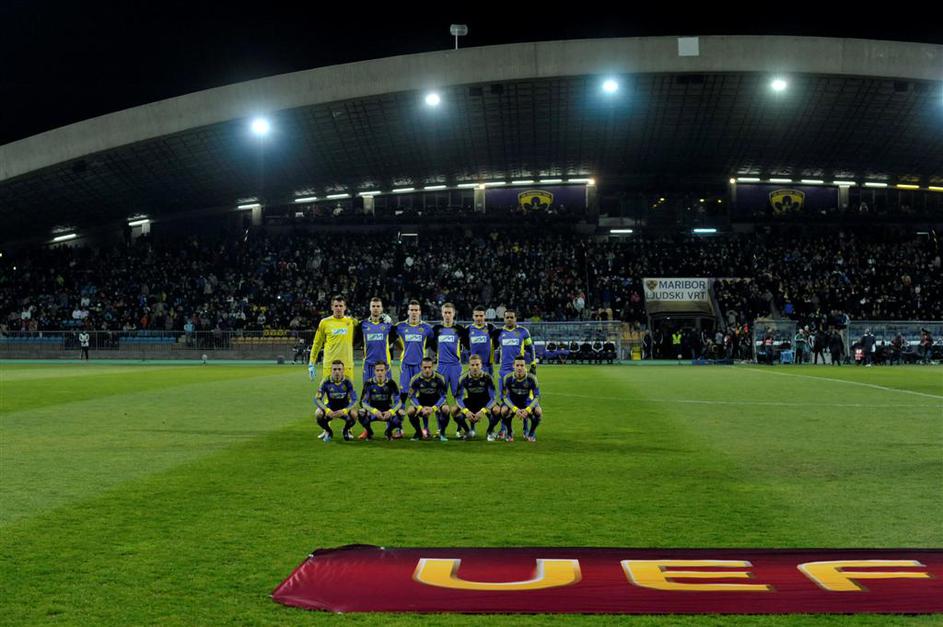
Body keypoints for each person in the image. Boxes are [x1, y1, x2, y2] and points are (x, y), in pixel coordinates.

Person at [495, 309, 536, 434]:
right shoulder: (499, 333)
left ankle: (525, 428)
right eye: (507, 317)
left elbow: (530, 347)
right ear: (504, 319)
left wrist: (533, 363)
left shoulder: (523, 331)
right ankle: (504, 429)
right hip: (504, 371)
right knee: (504, 400)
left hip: (521, 371)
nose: (509, 319)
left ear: (515, 318)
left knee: (524, 398)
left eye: (511, 317)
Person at [393, 301, 435, 406]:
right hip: (405, 364)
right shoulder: (400, 326)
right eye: (412, 310)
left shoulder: (427, 328)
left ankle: (419, 412)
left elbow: (431, 341)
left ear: (420, 312)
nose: (414, 312)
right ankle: (401, 413)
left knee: (420, 391)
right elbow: (391, 336)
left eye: (416, 310)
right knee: (403, 391)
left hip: (420, 365)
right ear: (408, 312)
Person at [308, 295, 356, 382]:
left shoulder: (351, 321)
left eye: (341, 306)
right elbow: (317, 343)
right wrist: (311, 362)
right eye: (336, 306)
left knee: (348, 395)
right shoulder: (324, 322)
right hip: (329, 366)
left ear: (345, 307)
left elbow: (368, 325)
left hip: (347, 366)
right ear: (332, 307)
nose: (338, 308)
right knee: (328, 394)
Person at [454, 354, 500, 441]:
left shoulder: (488, 377)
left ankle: (490, 431)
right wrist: (466, 411)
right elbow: (458, 398)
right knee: (454, 410)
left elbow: (493, 398)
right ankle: (468, 431)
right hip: (471, 402)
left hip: (485, 401)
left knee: (497, 410)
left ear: (481, 365)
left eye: (477, 364)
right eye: (472, 365)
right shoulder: (463, 378)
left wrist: (483, 411)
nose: (475, 367)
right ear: (469, 366)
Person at [406, 358, 451, 441]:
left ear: (433, 367)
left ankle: (442, 432)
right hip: (422, 402)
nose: (427, 370)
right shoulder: (415, 379)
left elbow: (443, 396)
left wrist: (434, 408)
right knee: (410, 411)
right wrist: (420, 407)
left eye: (429, 367)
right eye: (425, 367)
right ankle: (419, 433)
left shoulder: (440, 378)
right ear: (421, 367)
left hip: (436, 401)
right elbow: (411, 396)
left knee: (446, 409)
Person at [430, 302, 468, 399]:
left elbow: (467, 345)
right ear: (442, 313)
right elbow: (432, 345)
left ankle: (461, 414)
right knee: (440, 396)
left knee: (459, 396)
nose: (447, 315)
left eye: (449, 313)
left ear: (454, 313)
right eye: (445, 312)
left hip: (455, 366)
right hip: (441, 366)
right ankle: (443, 414)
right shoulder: (436, 329)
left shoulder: (459, 329)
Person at [314, 360, 358, 443]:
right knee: (318, 414)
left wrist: (345, 410)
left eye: (339, 369)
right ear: (331, 370)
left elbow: (355, 400)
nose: (337, 371)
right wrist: (326, 410)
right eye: (334, 369)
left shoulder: (348, 381)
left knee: (355, 414)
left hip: (344, 407)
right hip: (330, 407)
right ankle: (328, 431)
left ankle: (346, 430)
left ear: (343, 370)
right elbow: (317, 399)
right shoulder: (325, 381)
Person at [355, 297, 397, 385]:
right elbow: (357, 339)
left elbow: (394, 337)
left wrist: (391, 322)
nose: (375, 308)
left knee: (386, 393)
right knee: (368, 394)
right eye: (373, 306)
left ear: (381, 309)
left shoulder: (388, 324)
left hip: (385, 364)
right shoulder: (362, 325)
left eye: (378, 306)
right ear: (370, 308)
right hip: (368, 365)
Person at [500, 356, 542, 442]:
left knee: (538, 411)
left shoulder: (532, 378)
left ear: (525, 366)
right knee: (503, 410)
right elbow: (504, 397)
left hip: (526, 402)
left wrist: (528, 409)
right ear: (513, 366)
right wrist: (514, 409)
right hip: (513, 402)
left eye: (522, 365)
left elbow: (537, 397)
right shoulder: (507, 378)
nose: (519, 368)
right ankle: (510, 432)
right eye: (517, 365)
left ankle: (531, 433)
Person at [359, 362, 404, 440]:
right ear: (374, 371)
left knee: (401, 413)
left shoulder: (391, 383)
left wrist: (391, 411)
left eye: (382, 370)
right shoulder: (369, 383)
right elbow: (363, 402)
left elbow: (398, 401)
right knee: (360, 412)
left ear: (385, 371)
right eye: (377, 370)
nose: (380, 372)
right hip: (373, 413)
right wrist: (374, 411)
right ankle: (369, 432)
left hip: (387, 412)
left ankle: (388, 431)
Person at [467, 306, 500, 376]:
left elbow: (497, 343)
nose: (479, 318)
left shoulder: (491, 328)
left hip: (487, 364)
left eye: (481, 316)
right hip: (473, 365)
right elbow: (465, 345)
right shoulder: (468, 329)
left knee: (488, 385)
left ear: (485, 316)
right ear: (473, 316)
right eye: (476, 316)